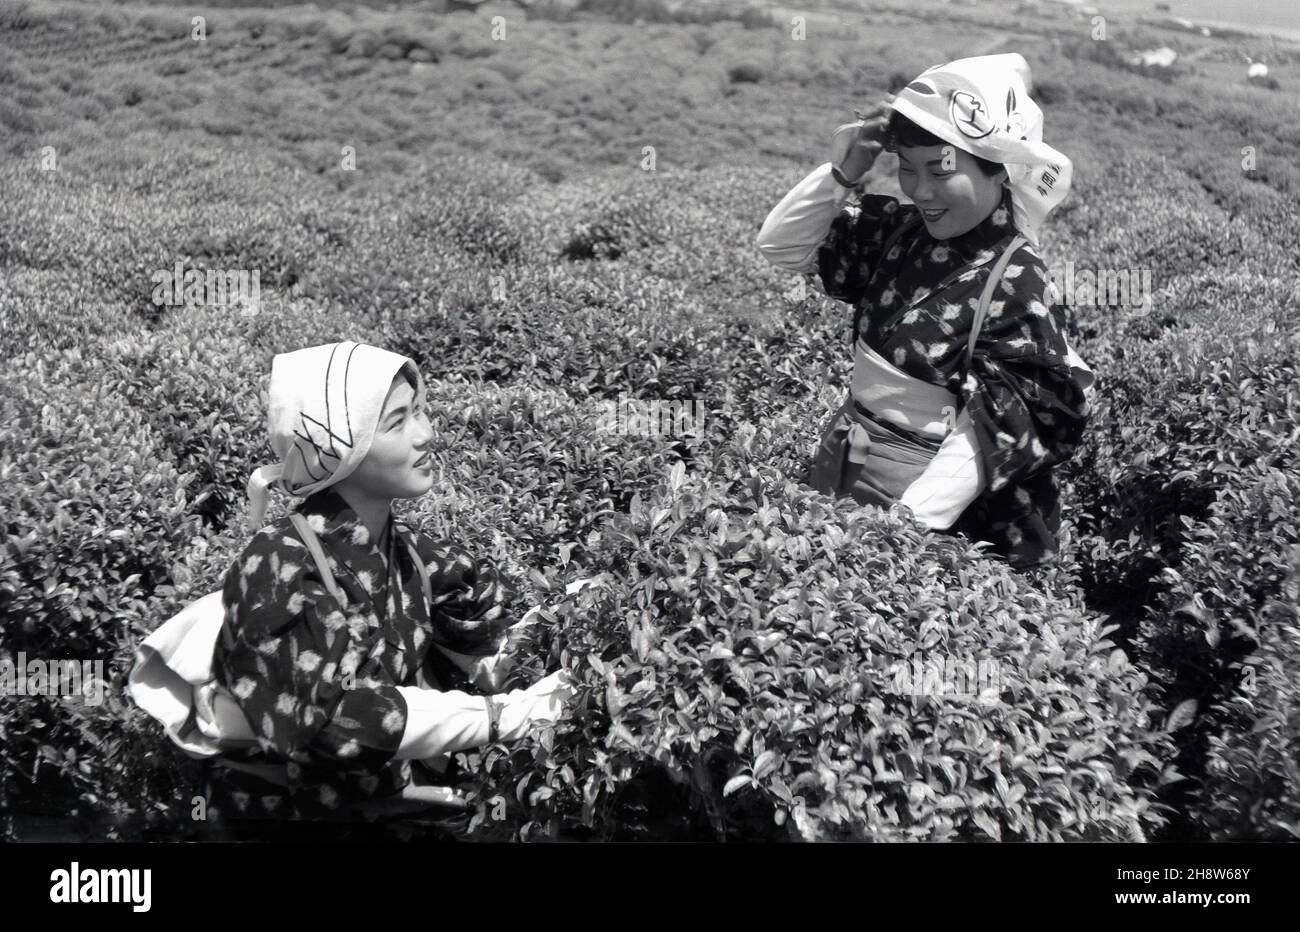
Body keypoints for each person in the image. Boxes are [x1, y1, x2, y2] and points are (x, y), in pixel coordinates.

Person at [205, 340, 574, 837]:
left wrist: (571, 619)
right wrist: (502, 717)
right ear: (340, 447)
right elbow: (334, 719)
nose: (426, 434)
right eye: (397, 422)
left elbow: (487, 643)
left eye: (421, 412)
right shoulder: (277, 564)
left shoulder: (415, 553)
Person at [756, 53, 1096, 569]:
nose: (921, 190)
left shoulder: (1017, 279)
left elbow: (991, 429)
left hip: (930, 502)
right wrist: (843, 174)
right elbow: (780, 247)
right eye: (907, 170)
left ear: (997, 169)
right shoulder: (897, 231)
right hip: (848, 459)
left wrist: (898, 534)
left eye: (941, 171)